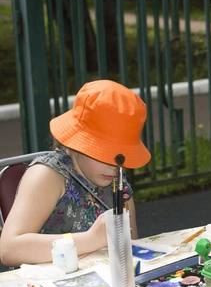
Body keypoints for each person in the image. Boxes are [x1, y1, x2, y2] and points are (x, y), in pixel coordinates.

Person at [0, 80, 151, 266]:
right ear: (78, 142)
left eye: (122, 157)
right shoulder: (48, 175)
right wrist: (91, 240)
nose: (115, 167)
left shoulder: (118, 182)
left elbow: (132, 249)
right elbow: (8, 249)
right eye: (105, 154)